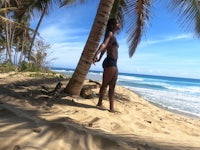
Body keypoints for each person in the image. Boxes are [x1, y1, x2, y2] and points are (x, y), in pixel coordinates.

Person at [93, 18, 120, 112]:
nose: (119, 24)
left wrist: (100, 58)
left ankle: (111, 108)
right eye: (117, 23)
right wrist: (96, 53)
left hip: (114, 63)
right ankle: (99, 103)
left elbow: (105, 48)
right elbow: (104, 45)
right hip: (110, 62)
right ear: (112, 25)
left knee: (112, 87)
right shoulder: (110, 34)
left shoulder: (113, 36)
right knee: (105, 85)